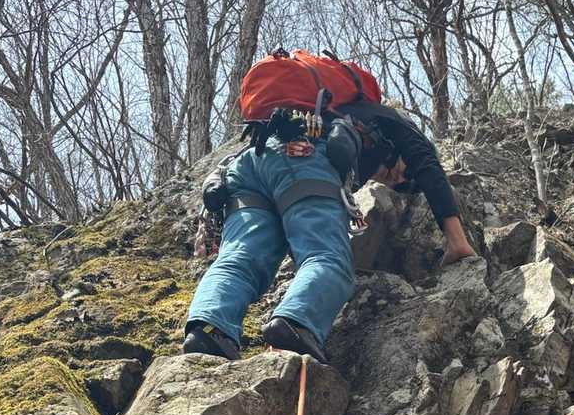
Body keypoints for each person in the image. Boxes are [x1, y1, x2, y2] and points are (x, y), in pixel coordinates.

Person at [182, 90, 476, 364]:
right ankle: (296, 323)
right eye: (407, 174)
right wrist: (458, 242)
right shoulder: (398, 125)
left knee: (242, 258)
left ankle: (209, 328)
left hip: (249, 165)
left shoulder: (341, 116)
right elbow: (431, 170)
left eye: (404, 187)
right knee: (328, 258)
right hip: (303, 155)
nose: (400, 180)